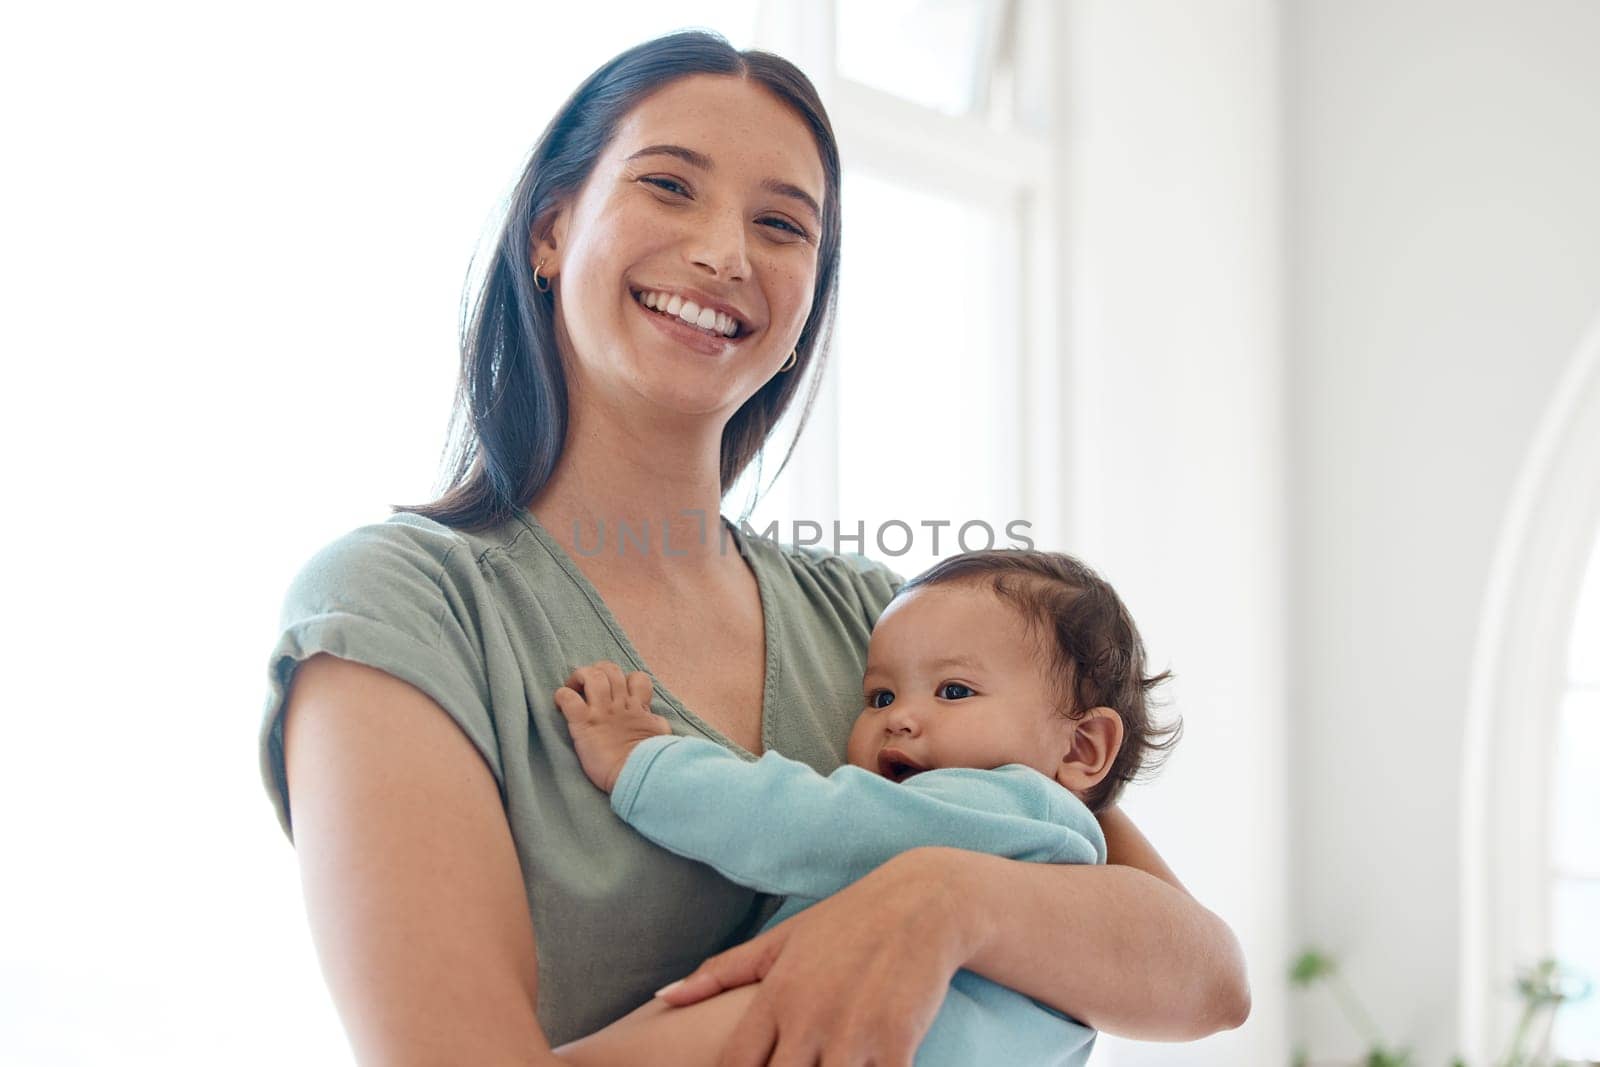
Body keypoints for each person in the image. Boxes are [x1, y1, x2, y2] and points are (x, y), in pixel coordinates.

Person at [259, 29, 1250, 1066]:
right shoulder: (400, 606)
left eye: (782, 224)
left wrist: (944, 895)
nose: (725, 254)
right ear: (551, 229)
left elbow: (1201, 975)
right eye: (669, 186)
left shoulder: (889, 628)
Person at [547, 549, 1173, 1067]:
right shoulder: (1061, 865)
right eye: (879, 695)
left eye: (954, 691)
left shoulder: (1007, 805)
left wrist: (644, 761)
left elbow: (806, 822)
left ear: (1083, 747)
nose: (899, 717)